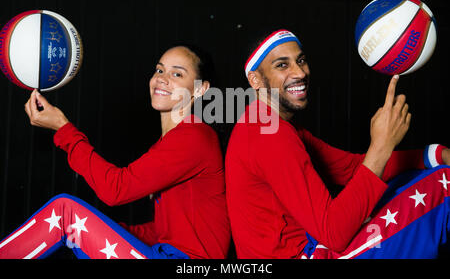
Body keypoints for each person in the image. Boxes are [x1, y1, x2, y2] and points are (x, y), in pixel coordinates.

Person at [225, 28, 450, 259]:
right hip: (308, 254)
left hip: (311, 245)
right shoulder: (268, 135)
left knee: (419, 177)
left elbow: (351, 169)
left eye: (300, 60)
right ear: (255, 80)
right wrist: (381, 147)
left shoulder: (268, 124)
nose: (300, 73)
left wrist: (436, 154)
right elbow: (334, 234)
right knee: (445, 185)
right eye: (282, 65)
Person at [0, 44, 230, 259]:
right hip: (166, 253)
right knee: (76, 229)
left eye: (177, 74)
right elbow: (164, 231)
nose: (161, 79)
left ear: (201, 89)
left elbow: (115, 189)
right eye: (159, 70)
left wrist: (63, 129)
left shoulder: (194, 137)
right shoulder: (169, 143)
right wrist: (110, 230)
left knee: (65, 214)